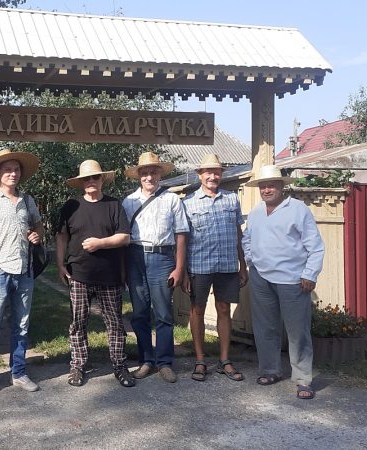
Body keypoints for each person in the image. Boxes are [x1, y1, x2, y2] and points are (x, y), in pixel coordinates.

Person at [241, 165, 325, 400]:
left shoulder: (298, 209)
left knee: (297, 331)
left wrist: (310, 274)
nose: (266, 190)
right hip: (261, 277)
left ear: (281, 186)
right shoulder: (256, 211)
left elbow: (315, 245)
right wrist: (251, 261)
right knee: (265, 328)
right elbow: (247, 238)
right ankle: (270, 370)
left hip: (292, 279)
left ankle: (303, 379)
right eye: (262, 186)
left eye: (271, 185)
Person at [0, 148, 45, 397]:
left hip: (24, 272)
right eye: (7, 170)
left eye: (16, 169)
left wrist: (37, 234)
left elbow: (37, 225)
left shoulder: (28, 201)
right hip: (0, 272)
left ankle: (18, 372)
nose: (12, 173)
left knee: (21, 326)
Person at [55, 160, 135, 388]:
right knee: (78, 322)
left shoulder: (113, 205)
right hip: (78, 274)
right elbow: (61, 236)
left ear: (102, 180)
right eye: (86, 179)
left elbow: (125, 237)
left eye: (95, 177)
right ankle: (78, 365)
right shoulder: (70, 206)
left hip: (109, 276)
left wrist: (101, 243)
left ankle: (119, 365)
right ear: (81, 183)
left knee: (115, 324)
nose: (91, 181)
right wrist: (60, 264)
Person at [122, 151, 189, 383]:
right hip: (135, 257)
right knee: (139, 313)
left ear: (160, 174)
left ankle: (165, 362)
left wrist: (179, 267)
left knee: (163, 313)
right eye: (145, 173)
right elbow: (123, 237)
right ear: (138, 176)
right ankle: (145, 360)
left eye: (153, 172)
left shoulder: (171, 199)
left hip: (162, 259)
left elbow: (181, 234)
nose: (149, 177)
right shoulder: (128, 202)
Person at [181, 154, 247, 382]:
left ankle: (225, 360)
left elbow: (239, 235)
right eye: (208, 172)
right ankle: (200, 360)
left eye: (217, 172)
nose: (213, 176)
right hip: (199, 266)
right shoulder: (188, 202)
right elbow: (183, 240)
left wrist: (243, 266)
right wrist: (184, 272)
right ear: (200, 175)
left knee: (224, 309)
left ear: (222, 174)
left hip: (227, 265)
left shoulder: (231, 199)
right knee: (197, 310)